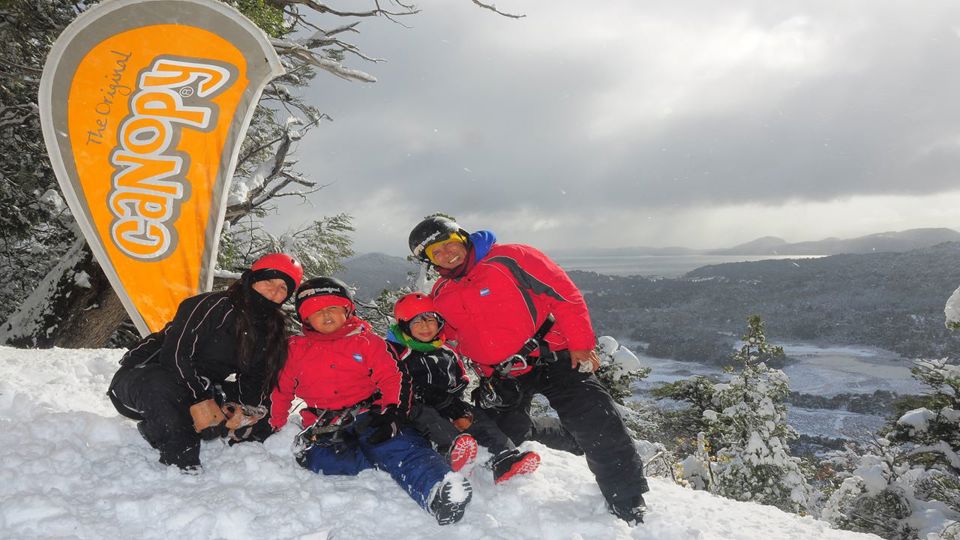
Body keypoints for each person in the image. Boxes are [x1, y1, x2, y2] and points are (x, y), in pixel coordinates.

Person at [408, 216, 650, 525]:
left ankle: (627, 500)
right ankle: (558, 434)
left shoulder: (510, 258)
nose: (447, 255)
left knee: (595, 419)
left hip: (554, 357)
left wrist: (580, 343)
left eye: (449, 245)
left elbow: (564, 294)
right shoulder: (442, 292)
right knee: (501, 435)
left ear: (462, 238)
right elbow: (444, 336)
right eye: (436, 253)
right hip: (502, 375)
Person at [269, 277, 473, 526]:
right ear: (305, 319)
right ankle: (377, 458)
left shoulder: (367, 342)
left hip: (371, 413)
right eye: (316, 310)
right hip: (324, 423)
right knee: (318, 460)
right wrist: (275, 426)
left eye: (333, 307)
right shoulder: (293, 349)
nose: (327, 315)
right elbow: (280, 391)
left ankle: (439, 489)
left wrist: (394, 412)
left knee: (399, 445)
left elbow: (394, 377)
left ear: (347, 310)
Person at [107, 253, 303, 472]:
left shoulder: (269, 329)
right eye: (269, 281)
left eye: (283, 288)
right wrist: (202, 400)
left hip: (200, 386)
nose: (274, 291)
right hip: (142, 381)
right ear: (252, 279)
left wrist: (244, 411)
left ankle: (213, 432)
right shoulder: (213, 305)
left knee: (266, 401)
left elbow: (255, 379)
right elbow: (175, 357)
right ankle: (181, 460)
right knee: (164, 384)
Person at [386, 292, 541, 483]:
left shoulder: (446, 350)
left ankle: (505, 457)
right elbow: (390, 381)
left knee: (476, 417)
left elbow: (460, 377)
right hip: (413, 406)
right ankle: (450, 450)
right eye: (416, 322)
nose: (425, 326)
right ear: (405, 326)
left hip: (448, 402)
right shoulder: (396, 352)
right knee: (429, 417)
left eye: (430, 320)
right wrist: (423, 393)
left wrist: (456, 402)